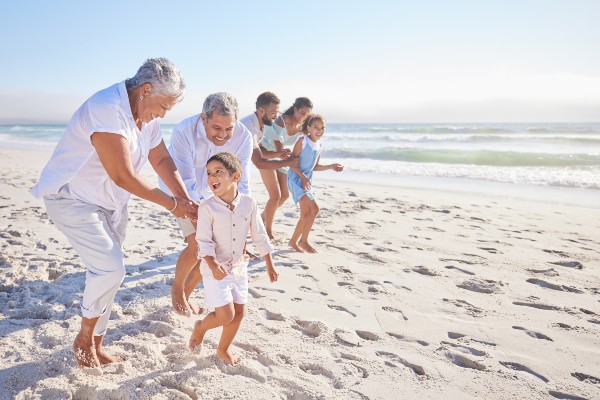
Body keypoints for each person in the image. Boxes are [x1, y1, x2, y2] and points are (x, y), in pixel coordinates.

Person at [30, 58, 197, 368]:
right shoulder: (106, 107)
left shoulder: (147, 118)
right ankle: (83, 339)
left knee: (108, 276)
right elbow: (123, 175)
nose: (163, 114)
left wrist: (186, 200)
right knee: (110, 269)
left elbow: (161, 160)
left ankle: (96, 343)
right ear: (146, 90)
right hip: (72, 198)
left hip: (112, 203)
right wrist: (174, 206)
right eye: (164, 106)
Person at [163, 93, 253, 316]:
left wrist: (243, 218)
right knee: (197, 245)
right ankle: (177, 290)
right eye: (216, 128)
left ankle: (187, 292)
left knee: (218, 250)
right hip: (180, 192)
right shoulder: (184, 131)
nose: (223, 135)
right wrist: (204, 213)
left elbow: (241, 182)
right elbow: (185, 181)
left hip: (216, 193)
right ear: (203, 118)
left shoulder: (243, 136)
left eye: (228, 129)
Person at [189, 152, 278, 365]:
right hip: (214, 269)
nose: (212, 178)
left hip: (239, 267)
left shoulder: (249, 203)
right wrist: (211, 263)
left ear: (235, 176)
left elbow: (258, 233)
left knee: (239, 313)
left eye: (218, 172)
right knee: (225, 315)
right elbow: (203, 241)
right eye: (209, 173)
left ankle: (222, 349)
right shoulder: (207, 207)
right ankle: (200, 327)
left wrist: (269, 263)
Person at [287, 114, 344, 253]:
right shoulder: (302, 141)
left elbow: (315, 167)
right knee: (314, 209)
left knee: (306, 213)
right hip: (296, 180)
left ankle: (294, 242)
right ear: (309, 128)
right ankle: (303, 241)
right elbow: (291, 162)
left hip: (306, 181)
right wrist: (303, 177)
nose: (319, 130)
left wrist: (331, 166)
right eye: (316, 127)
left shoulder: (319, 145)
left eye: (322, 127)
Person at [259, 97, 313, 240]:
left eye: (307, 114)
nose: (304, 117)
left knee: (284, 195)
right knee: (275, 196)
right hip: (267, 156)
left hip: (283, 157)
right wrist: (291, 162)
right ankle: (267, 230)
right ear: (295, 109)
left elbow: (303, 145)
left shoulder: (303, 126)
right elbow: (278, 147)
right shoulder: (281, 121)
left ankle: (261, 218)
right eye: (302, 113)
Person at [238, 92, 297, 170]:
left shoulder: (261, 123)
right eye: (273, 113)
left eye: (277, 113)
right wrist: (288, 163)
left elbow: (260, 151)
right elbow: (259, 163)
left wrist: (278, 154)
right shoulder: (249, 128)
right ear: (261, 110)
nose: (276, 117)